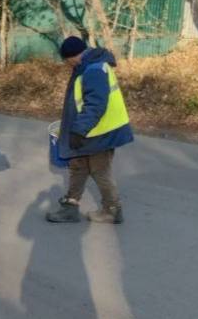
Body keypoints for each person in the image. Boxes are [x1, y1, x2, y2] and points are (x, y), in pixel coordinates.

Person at [46, 36, 134, 224]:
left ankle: (112, 209)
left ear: (71, 57)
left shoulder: (93, 70)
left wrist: (79, 130)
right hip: (89, 131)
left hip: (100, 132)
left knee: (100, 171)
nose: (67, 65)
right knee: (78, 167)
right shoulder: (87, 66)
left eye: (67, 60)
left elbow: (95, 105)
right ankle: (70, 208)